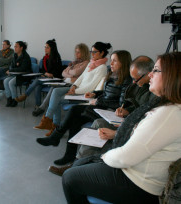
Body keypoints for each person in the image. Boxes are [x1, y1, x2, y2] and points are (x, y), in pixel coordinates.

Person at [62, 52, 181, 204]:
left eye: (156, 70)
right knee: (79, 166)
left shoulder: (168, 114)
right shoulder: (168, 108)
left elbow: (125, 158)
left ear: (172, 76)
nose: (150, 74)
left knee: (69, 177)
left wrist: (104, 157)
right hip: (139, 173)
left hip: (139, 184)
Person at [48, 55, 157, 176]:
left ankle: (75, 164)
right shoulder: (134, 83)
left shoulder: (151, 90)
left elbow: (144, 118)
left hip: (129, 124)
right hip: (124, 118)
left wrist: (118, 129)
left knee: (77, 114)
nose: (134, 82)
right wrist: (126, 110)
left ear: (148, 74)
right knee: (93, 121)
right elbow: (132, 104)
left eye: (115, 60)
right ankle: (76, 164)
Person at [37, 50, 132, 165]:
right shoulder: (112, 75)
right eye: (111, 60)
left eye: (114, 61)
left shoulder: (127, 80)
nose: (111, 63)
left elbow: (120, 103)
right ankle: (68, 154)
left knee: (74, 110)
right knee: (75, 120)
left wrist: (98, 100)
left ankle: (57, 137)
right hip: (100, 107)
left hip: (108, 113)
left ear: (123, 62)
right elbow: (106, 94)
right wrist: (95, 94)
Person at [34, 42, 112, 136]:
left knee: (56, 99)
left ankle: (52, 125)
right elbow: (81, 77)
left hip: (84, 94)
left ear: (102, 53)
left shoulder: (102, 68)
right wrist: (73, 86)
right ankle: (48, 121)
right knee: (55, 91)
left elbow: (91, 87)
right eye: (91, 51)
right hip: (76, 89)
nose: (92, 54)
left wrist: (75, 91)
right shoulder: (91, 63)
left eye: (94, 52)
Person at [32, 43, 90, 117]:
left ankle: (43, 109)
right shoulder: (74, 62)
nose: (76, 54)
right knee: (53, 87)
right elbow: (63, 73)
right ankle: (43, 108)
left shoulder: (86, 63)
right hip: (65, 82)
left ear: (84, 53)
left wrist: (69, 71)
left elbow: (76, 72)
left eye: (78, 52)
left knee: (55, 91)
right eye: (75, 51)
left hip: (73, 85)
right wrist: (71, 74)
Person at [15, 39, 63, 107]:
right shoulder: (45, 57)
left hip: (55, 79)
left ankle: (25, 95)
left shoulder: (57, 58)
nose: (45, 49)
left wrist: (51, 74)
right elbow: (42, 70)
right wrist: (44, 74)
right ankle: (38, 106)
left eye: (47, 47)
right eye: (45, 47)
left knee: (37, 80)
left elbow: (59, 71)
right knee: (37, 86)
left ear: (52, 48)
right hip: (46, 78)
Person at [3, 41, 31, 107]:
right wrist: (10, 69)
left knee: (11, 83)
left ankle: (15, 99)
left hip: (24, 76)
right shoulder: (15, 55)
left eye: (16, 46)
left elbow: (22, 69)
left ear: (21, 48)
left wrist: (11, 70)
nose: (14, 48)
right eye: (14, 46)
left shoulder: (26, 57)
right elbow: (12, 65)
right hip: (16, 74)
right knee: (5, 81)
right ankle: (9, 99)